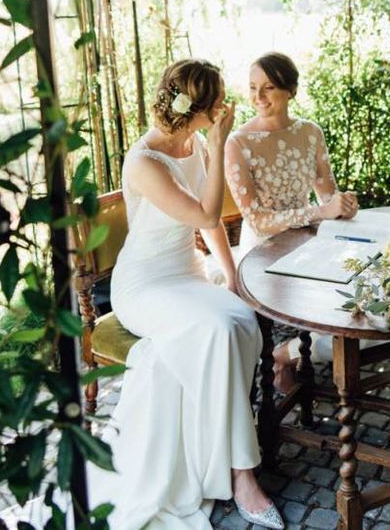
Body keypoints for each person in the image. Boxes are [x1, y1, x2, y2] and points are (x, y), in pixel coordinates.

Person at [92, 59, 284, 530]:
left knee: (241, 321)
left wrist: (232, 273)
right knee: (219, 329)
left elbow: (213, 224)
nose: (225, 108)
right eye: (218, 102)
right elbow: (203, 213)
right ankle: (243, 475)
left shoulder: (194, 141)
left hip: (187, 274)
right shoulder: (144, 162)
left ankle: (213, 448)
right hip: (145, 285)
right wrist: (219, 148)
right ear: (198, 108)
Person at [224, 52, 359, 390]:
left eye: (268, 88)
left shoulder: (310, 132)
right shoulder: (238, 142)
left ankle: (287, 355)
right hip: (262, 254)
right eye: (253, 88)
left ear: (290, 90)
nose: (258, 98)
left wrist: (342, 205)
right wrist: (319, 212)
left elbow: (327, 196)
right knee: (333, 304)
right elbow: (256, 221)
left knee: (360, 300)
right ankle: (290, 359)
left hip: (308, 242)